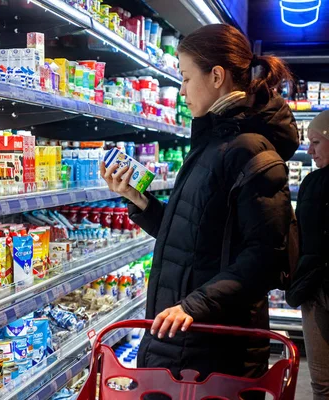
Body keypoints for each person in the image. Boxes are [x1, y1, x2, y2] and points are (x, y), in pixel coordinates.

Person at [101, 23, 298, 387]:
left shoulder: (250, 150)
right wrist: (137, 198)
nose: (182, 91)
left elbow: (266, 257)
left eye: (187, 78)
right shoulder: (213, 145)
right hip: (184, 345)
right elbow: (191, 236)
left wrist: (193, 306)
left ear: (217, 76)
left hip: (216, 354)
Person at [286, 111, 329, 399]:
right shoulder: (311, 183)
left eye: (315, 141)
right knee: (322, 383)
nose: (309, 150)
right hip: (314, 290)